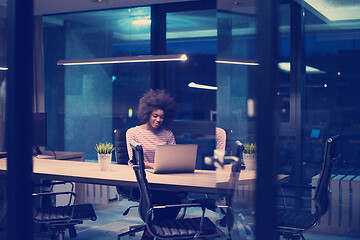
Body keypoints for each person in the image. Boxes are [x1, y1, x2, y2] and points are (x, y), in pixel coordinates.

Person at [126, 89, 180, 240]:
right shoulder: (133, 133)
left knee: (174, 202)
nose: (158, 120)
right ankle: (155, 233)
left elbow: (174, 157)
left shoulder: (168, 134)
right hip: (143, 181)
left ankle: (151, 232)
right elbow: (135, 161)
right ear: (147, 113)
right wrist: (154, 165)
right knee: (169, 201)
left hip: (164, 178)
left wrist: (164, 165)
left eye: (162, 117)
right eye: (155, 115)